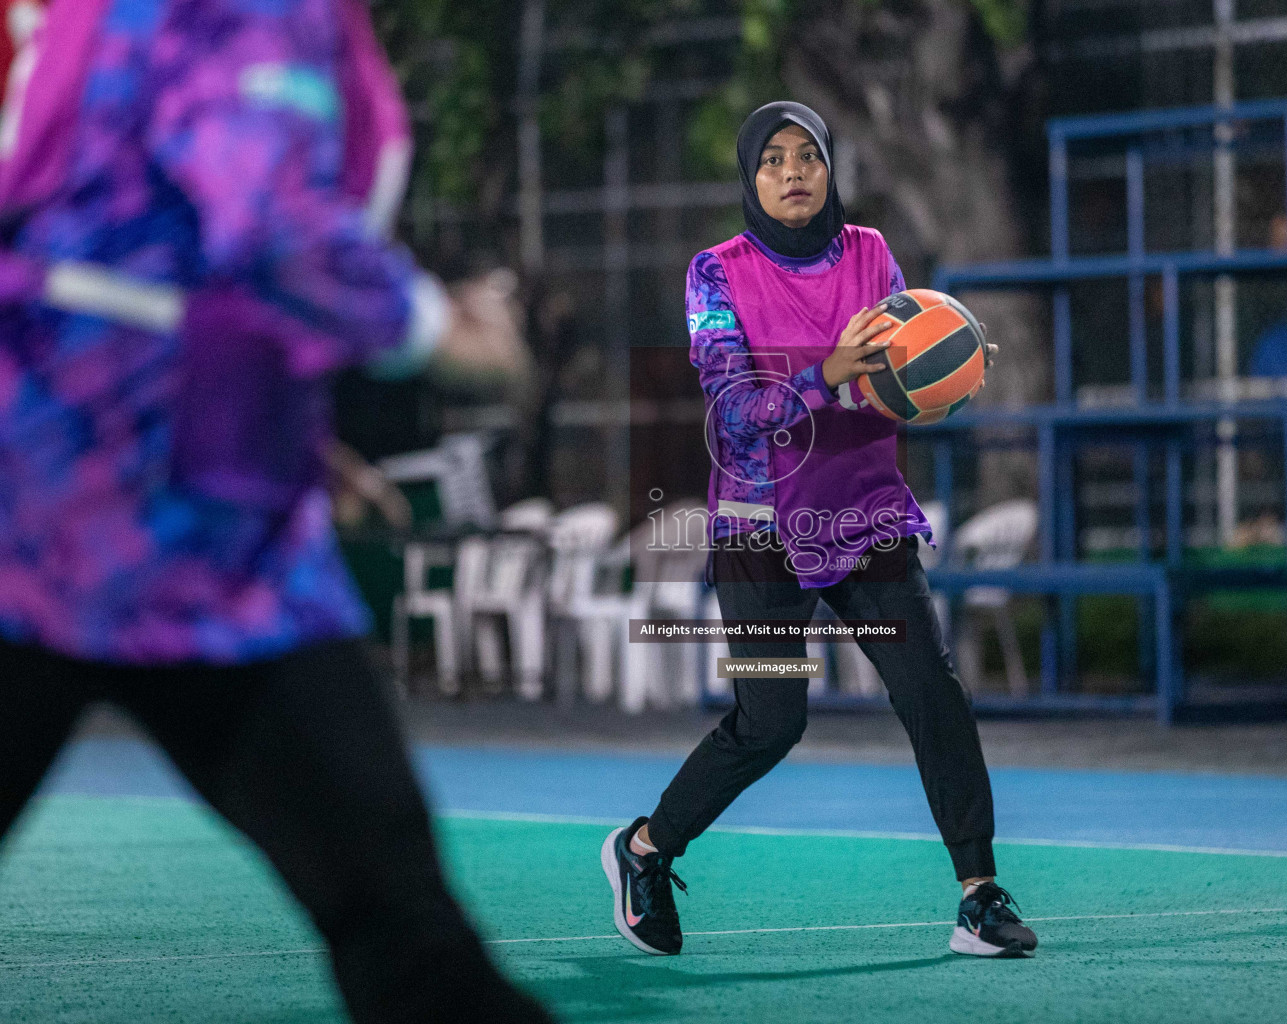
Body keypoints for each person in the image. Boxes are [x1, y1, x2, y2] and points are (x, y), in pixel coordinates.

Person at [0, 1, 550, 1021]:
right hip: (131, 529)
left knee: (404, 930)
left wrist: (286, 429)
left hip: (139, 503)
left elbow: (126, 245)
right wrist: (443, 331)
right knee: (407, 937)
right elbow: (267, 216)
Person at [600, 101, 1038, 961]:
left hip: (865, 516)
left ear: (831, 167)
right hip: (761, 530)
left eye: (808, 155)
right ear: (750, 178)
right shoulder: (714, 273)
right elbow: (733, 412)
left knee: (932, 692)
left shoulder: (872, 255)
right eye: (773, 159)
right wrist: (825, 375)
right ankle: (644, 850)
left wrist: (937, 377)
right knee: (772, 723)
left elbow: (904, 362)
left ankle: (978, 896)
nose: (793, 171)